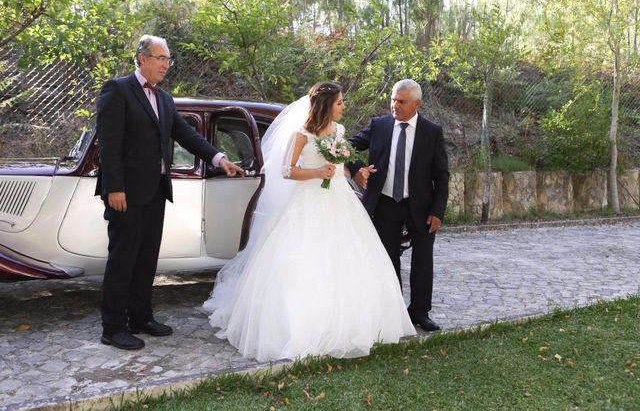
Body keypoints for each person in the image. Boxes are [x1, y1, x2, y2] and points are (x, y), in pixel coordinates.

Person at [203, 82, 415, 362]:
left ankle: (353, 323)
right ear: (327, 105)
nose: (343, 107)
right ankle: (304, 325)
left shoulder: (339, 132)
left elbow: (343, 165)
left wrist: (357, 170)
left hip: (342, 202)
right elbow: (287, 170)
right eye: (340, 103)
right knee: (306, 260)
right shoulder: (301, 134)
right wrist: (316, 172)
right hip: (309, 202)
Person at [95, 34, 243, 350]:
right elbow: (108, 144)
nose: (166, 64)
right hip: (126, 194)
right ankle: (113, 327)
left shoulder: (164, 98)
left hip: (156, 191)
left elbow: (187, 135)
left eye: (168, 59)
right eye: (161, 58)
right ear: (142, 58)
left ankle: (140, 317)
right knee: (123, 260)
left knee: (147, 259)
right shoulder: (117, 90)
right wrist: (115, 188)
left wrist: (219, 158)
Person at [348, 79, 449, 332]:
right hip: (384, 204)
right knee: (388, 259)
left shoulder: (432, 131)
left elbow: (442, 175)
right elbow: (346, 147)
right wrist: (357, 168)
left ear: (417, 103)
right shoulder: (379, 125)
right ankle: (392, 312)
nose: (395, 105)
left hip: (421, 207)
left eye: (401, 101)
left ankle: (419, 313)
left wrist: (438, 211)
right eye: (393, 99)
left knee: (423, 259)